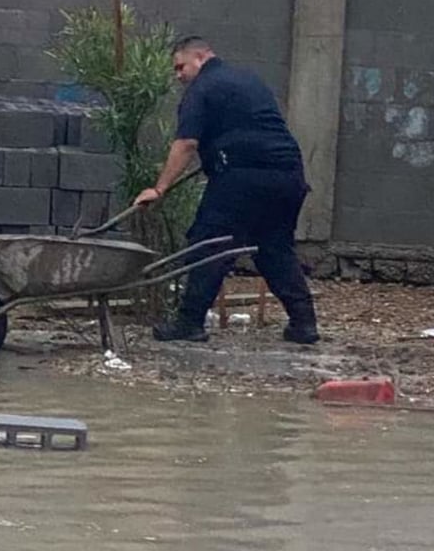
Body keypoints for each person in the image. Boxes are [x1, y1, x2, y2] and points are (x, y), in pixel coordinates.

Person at [134, 37, 319, 344]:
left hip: (243, 179)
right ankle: (305, 323)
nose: (178, 75)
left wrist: (159, 188)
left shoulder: (201, 89)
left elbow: (186, 143)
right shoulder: (248, 80)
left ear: (201, 58)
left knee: (208, 245)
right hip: (289, 175)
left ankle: (189, 322)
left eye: (180, 67)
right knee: (274, 249)